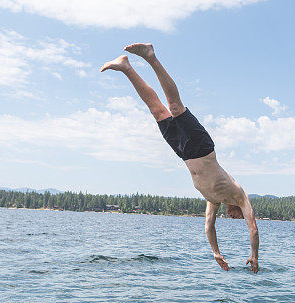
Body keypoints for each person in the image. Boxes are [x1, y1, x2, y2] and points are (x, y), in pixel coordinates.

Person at [101, 43, 259, 273]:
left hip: (183, 153)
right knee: (175, 107)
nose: (234, 219)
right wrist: (255, 256)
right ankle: (151, 57)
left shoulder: (214, 201)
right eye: (237, 217)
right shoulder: (240, 195)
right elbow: (253, 228)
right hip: (202, 148)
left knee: (157, 111)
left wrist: (215, 251)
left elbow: (208, 227)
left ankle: (125, 67)